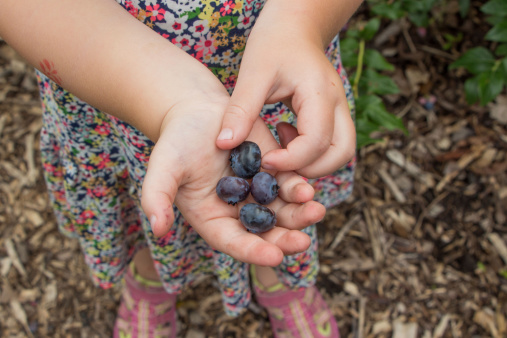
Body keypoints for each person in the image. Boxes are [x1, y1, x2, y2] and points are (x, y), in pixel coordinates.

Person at [0, 0, 362, 337]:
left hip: (273, 80)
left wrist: (302, 25)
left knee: (282, 199)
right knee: (148, 201)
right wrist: (174, 100)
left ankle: (278, 275)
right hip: (108, 85)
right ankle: (150, 273)